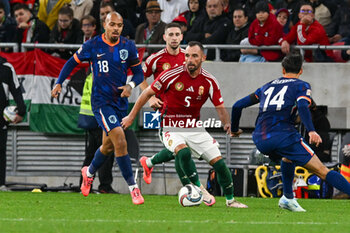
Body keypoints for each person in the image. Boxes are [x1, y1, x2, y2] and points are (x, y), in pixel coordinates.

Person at [122, 41, 248, 208]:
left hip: (194, 126)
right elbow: (147, 93)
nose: (189, 59)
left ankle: (231, 201)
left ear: (203, 58)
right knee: (182, 151)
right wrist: (131, 117)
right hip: (169, 125)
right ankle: (198, 188)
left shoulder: (209, 81)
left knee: (219, 163)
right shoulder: (171, 75)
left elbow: (220, 108)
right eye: (187, 55)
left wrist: (228, 126)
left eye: (194, 56)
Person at [231, 51, 350, 212]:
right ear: (300, 70)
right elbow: (302, 106)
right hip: (283, 135)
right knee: (322, 171)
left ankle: (287, 198)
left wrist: (234, 129)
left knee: (288, 158)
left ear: (282, 69)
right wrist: (311, 131)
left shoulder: (266, 86)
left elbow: (237, 105)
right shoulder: (300, 85)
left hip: (260, 138)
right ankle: (288, 197)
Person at [51, 12, 145, 204]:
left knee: (108, 145)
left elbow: (138, 74)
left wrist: (130, 86)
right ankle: (133, 188)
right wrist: (59, 82)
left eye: (119, 25)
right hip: (101, 103)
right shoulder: (93, 45)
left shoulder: (128, 46)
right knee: (119, 139)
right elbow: (71, 62)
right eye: (113, 24)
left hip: (119, 103)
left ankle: (89, 171)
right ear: (105, 25)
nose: (116, 28)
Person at [0, 56, 26, 191]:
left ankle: (0, 183)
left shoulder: (6, 67)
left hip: (1, 118)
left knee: (1, 150)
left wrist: (21, 111)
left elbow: (16, 90)